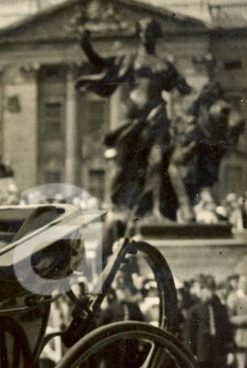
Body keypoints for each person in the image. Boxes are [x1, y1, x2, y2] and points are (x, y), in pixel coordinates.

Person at [75, 17, 193, 223]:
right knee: (121, 163)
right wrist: (86, 46)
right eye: (143, 30)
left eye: (150, 30)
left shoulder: (165, 64)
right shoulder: (130, 59)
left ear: (156, 35)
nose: (146, 34)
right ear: (138, 34)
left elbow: (184, 89)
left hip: (157, 118)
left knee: (156, 162)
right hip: (133, 119)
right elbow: (101, 63)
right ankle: (110, 203)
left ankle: (156, 211)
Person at [186, 274, 235, 368]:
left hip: (218, 351)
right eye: (205, 289)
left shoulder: (220, 308)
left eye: (210, 289)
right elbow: (190, 334)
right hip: (202, 352)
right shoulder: (194, 310)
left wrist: (229, 350)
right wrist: (191, 352)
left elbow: (226, 331)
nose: (208, 293)